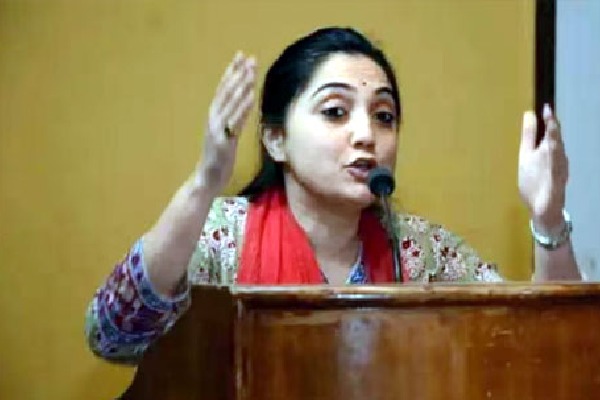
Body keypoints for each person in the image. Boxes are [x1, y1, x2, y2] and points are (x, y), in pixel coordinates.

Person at [85, 27, 581, 364]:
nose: (366, 135)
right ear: (276, 140)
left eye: (384, 117)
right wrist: (203, 183)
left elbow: (546, 343)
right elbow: (112, 335)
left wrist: (549, 217)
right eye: (335, 112)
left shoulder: (421, 252)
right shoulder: (222, 234)